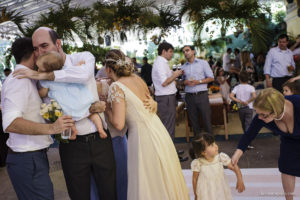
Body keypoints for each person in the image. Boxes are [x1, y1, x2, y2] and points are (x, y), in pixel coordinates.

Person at [13, 27, 116, 200]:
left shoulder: (83, 58)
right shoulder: (40, 75)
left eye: (44, 46)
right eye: (36, 48)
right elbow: (47, 106)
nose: (39, 52)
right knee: (78, 195)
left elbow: (83, 76)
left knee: (109, 193)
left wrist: (45, 76)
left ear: (58, 43)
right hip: (72, 146)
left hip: (101, 141)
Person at [104, 49, 189, 200]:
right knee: (161, 176)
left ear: (108, 69)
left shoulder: (116, 87)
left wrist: (105, 107)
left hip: (142, 137)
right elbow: (149, 104)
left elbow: (118, 123)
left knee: (148, 180)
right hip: (158, 130)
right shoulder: (137, 79)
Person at [2, 37, 73, 200]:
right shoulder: (18, 81)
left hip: (33, 157)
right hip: (27, 159)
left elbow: (32, 109)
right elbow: (10, 123)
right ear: (34, 53)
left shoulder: (27, 78)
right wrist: (52, 128)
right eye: (40, 49)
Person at [231, 88, 300, 200]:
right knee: (287, 167)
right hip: (289, 141)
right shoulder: (262, 115)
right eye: (258, 113)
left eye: (263, 115)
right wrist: (237, 154)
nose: (260, 118)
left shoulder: (297, 103)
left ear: (276, 110)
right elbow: (249, 134)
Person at [36, 51, 107, 139]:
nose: (38, 70)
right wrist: (80, 66)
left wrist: (37, 92)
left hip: (66, 104)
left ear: (48, 70)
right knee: (92, 115)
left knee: (69, 120)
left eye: (39, 68)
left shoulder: (47, 80)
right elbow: (75, 71)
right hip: (79, 98)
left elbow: (43, 93)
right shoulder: (66, 70)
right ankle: (100, 129)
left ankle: (72, 133)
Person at [152, 42, 187, 162]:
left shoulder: (162, 63)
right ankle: (170, 157)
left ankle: (171, 151)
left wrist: (173, 77)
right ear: (164, 51)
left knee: (169, 126)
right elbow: (164, 82)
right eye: (170, 51)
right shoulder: (160, 63)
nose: (172, 54)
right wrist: (176, 74)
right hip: (165, 98)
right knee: (168, 127)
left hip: (167, 97)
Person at [190, 134, 245, 200]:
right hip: (206, 193)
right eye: (212, 145)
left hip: (220, 190)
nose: (216, 146)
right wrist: (196, 195)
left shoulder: (220, 158)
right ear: (204, 152)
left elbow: (234, 167)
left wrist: (240, 179)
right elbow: (194, 179)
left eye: (215, 143)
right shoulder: (198, 163)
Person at [181, 45, 214, 135]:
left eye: (187, 50)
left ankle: (211, 145)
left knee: (207, 122)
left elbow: (211, 78)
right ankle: (198, 147)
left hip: (202, 95)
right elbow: (181, 81)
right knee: (194, 124)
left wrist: (198, 82)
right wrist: (185, 82)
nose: (185, 53)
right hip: (189, 97)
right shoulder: (183, 67)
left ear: (193, 51)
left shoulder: (203, 63)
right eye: (184, 52)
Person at [229, 71, 256, 148]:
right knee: (248, 124)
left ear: (239, 79)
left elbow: (231, 96)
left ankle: (246, 140)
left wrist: (239, 101)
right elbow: (254, 96)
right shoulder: (251, 87)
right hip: (249, 108)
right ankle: (247, 141)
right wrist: (248, 101)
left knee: (243, 124)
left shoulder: (237, 87)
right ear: (248, 79)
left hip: (241, 108)